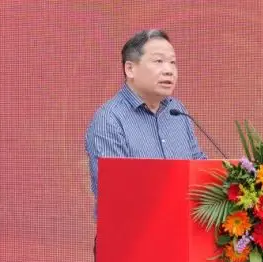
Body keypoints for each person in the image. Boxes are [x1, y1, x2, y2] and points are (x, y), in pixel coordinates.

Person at [85, 29, 207, 222]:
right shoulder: (110, 119)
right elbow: (115, 193)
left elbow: (197, 164)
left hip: (181, 232)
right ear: (130, 69)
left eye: (173, 62)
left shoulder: (177, 110)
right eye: (158, 61)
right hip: (132, 238)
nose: (169, 70)